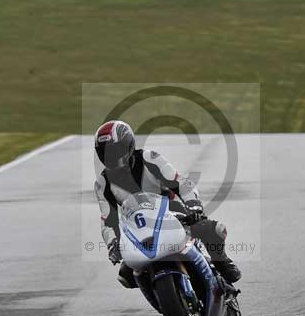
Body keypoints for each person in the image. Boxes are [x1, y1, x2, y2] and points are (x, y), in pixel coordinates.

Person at [93, 120, 242, 288]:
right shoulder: (102, 183)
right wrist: (112, 243)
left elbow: (180, 183)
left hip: (173, 216)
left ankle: (221, 262)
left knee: (215, 230)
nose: (111, 157)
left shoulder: (149, 158)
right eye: (105, 153)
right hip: (139, 229)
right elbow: (108, 220)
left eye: (115, 151)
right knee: (126, 276)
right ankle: (161, 301)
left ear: (128, 146)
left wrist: (194, 205)